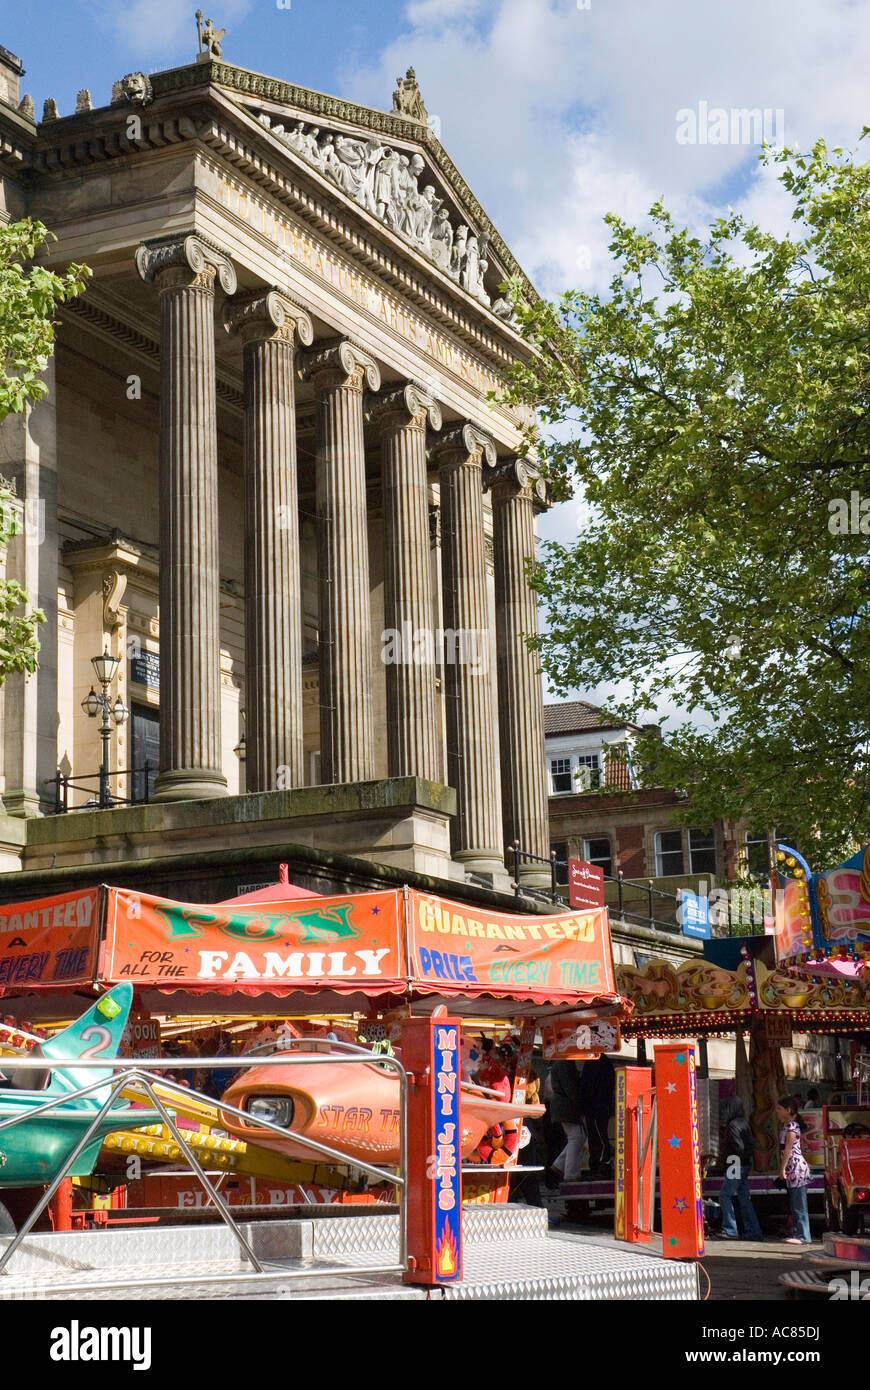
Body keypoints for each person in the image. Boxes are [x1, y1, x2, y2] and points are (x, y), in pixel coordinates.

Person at [717, 1096, 763, 1240]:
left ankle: (730, 1229)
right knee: (744, 1198)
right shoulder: (744, 1122)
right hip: (744, 1164)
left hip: (735, 1163)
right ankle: (753, 1231)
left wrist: (726, 1155)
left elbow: (738, 1147)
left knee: (724, 1195)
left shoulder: (732, 1125)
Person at [776, 1094, 812, 1244]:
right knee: (794, 1204)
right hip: (792, 1170)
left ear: (788, 1110)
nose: (777, 1111)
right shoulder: (787, 1126)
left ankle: (803, 1236)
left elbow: (789, 1149)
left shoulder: (792, 1127)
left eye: (779, 1108)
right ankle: (797, 1234)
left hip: (796, 1169)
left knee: (799, 1205)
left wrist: (782, 1169)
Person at [549, 1059, 586, 1183]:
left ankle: (560, 1165)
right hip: (566, 1105)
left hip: (560, 1105)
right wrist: (580, 1103)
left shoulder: (559, 1063)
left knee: (576, 1137)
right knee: (576, 1137)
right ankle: (570, 1173)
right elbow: (570, 1087)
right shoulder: (565, 1064)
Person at [578, 1053, 615, 1176]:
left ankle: (601, 1162)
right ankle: (601, 1162)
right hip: (601, 1105)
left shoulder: (593, 1062)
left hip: (594, 1106)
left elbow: (586, 1085)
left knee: (597, 1136)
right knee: (599, 1135)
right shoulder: (604, 1062)